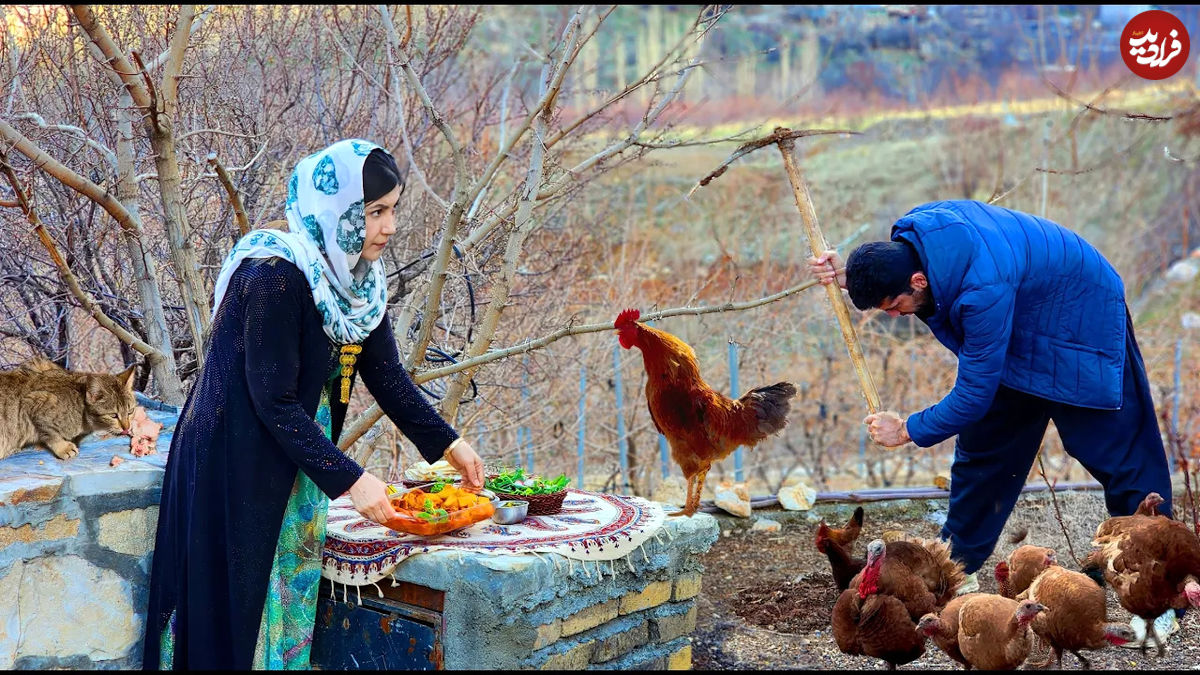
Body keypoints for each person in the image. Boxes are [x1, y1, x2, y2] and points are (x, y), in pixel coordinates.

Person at [143, 139, 485, 670]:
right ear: (338, 211)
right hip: (233, 462)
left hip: (296, 457)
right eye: (375, 212)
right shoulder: (274, 274)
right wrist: (352, 479)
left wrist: (450, 445)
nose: (389, 227)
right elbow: (272, 400)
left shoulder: (354, 283)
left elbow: (387, 375)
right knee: (235, 613)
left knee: (287, 596)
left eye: (393, 209)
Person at [808, 199, 1176, 643]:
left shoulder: (982, 289)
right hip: (1018, 320)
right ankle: (952, 573)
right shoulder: (915, 238)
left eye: (894, 304)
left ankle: (1161, 586)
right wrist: (854, 278)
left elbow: (974, 394)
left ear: (918, 279)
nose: (894, 315)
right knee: (986, 455)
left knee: (1120, 454)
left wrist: (908, 429)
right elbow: (900, 282)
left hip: (1081, 318)